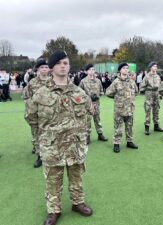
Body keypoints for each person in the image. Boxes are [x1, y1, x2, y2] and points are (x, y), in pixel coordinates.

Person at [25, 50, 93, 225]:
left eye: (66, 63)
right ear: (52, 67)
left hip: (74, 145)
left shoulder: (78, 91)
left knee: (77, 176)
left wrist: (81, 135)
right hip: (52, 146)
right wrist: (46, 135)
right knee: (53, 179)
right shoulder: (41, 93)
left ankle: (78, 203)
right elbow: (31, 117)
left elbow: (88, 114)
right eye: (59, 63)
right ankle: (53, 210)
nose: (64, 66)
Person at [106, 62, 139, 153]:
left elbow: (136, 92)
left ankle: (129, 141)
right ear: (120, 70)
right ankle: (116, 143)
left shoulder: (132, 82)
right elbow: (108, 93)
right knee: (118, 127)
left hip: (129, 109)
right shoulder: (116, 82)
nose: (126, 69)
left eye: (127, 68)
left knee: (129, 127)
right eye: (124, 68)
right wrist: (117, 99)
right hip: (119, 110)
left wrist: (130, 99)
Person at [23, 58, 50, 168]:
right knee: (37, 135)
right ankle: (40, 156)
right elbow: (26, 97)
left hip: (50, 115)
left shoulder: (53, 81)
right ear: (37, 69)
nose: (44, 69)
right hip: (36, 115)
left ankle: (50, 154)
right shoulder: (32, 83)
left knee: (50, 135)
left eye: (46, 67)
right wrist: (30, 110)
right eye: (42, 67)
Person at [79, 64, 108, 144]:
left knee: (97, 119)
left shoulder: (98, 81)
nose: (92, 71)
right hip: (87, 105)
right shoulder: (83, 81)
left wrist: (98, 95)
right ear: (86, 71)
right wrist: (86, 98)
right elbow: (79, 92)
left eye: (93, 69)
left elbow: (102, 91)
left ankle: (100, 134)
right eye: (90, 69)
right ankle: (87, 136)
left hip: (96, 103)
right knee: (87, 121)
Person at [139, 61, 163, 135]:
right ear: (150, 67)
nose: (155, 67)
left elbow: (160, 86)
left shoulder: (158, 76)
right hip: (149, 94)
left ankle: (156, 126)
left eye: (156, 66)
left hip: (156, 94)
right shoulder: (146, 76)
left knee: (156, 110)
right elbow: (141, 87)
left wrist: (160, 94)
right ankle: (147, 128)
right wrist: (147, 90)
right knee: (148, 111)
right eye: (154, 66)